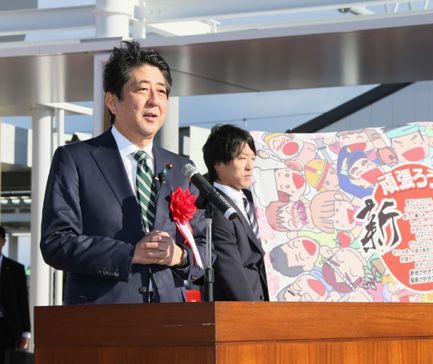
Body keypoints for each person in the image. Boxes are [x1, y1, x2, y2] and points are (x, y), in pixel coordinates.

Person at [40, 41, 205, 304]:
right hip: (102, 319)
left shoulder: (183, 170)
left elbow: (205, 248)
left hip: (171, 321)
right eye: (142, 90)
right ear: (112, 101)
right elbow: (56, 243)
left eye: (161, 92)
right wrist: (128, 254)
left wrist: (179, 256)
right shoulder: (75, 159)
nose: (154, 100)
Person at [202, 124, 269, 301]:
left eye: (253, 158)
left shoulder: (257, 201)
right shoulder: (215, 209)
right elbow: (230, 270)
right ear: (218, 164)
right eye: (241, 158)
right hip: (242, 310)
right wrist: (253, 314)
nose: (250, 166)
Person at [0, 226, 30, 362]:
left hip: (9, 328)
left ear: (3, 242)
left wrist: (26, 334)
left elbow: (22, 302)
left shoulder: (16, 269)